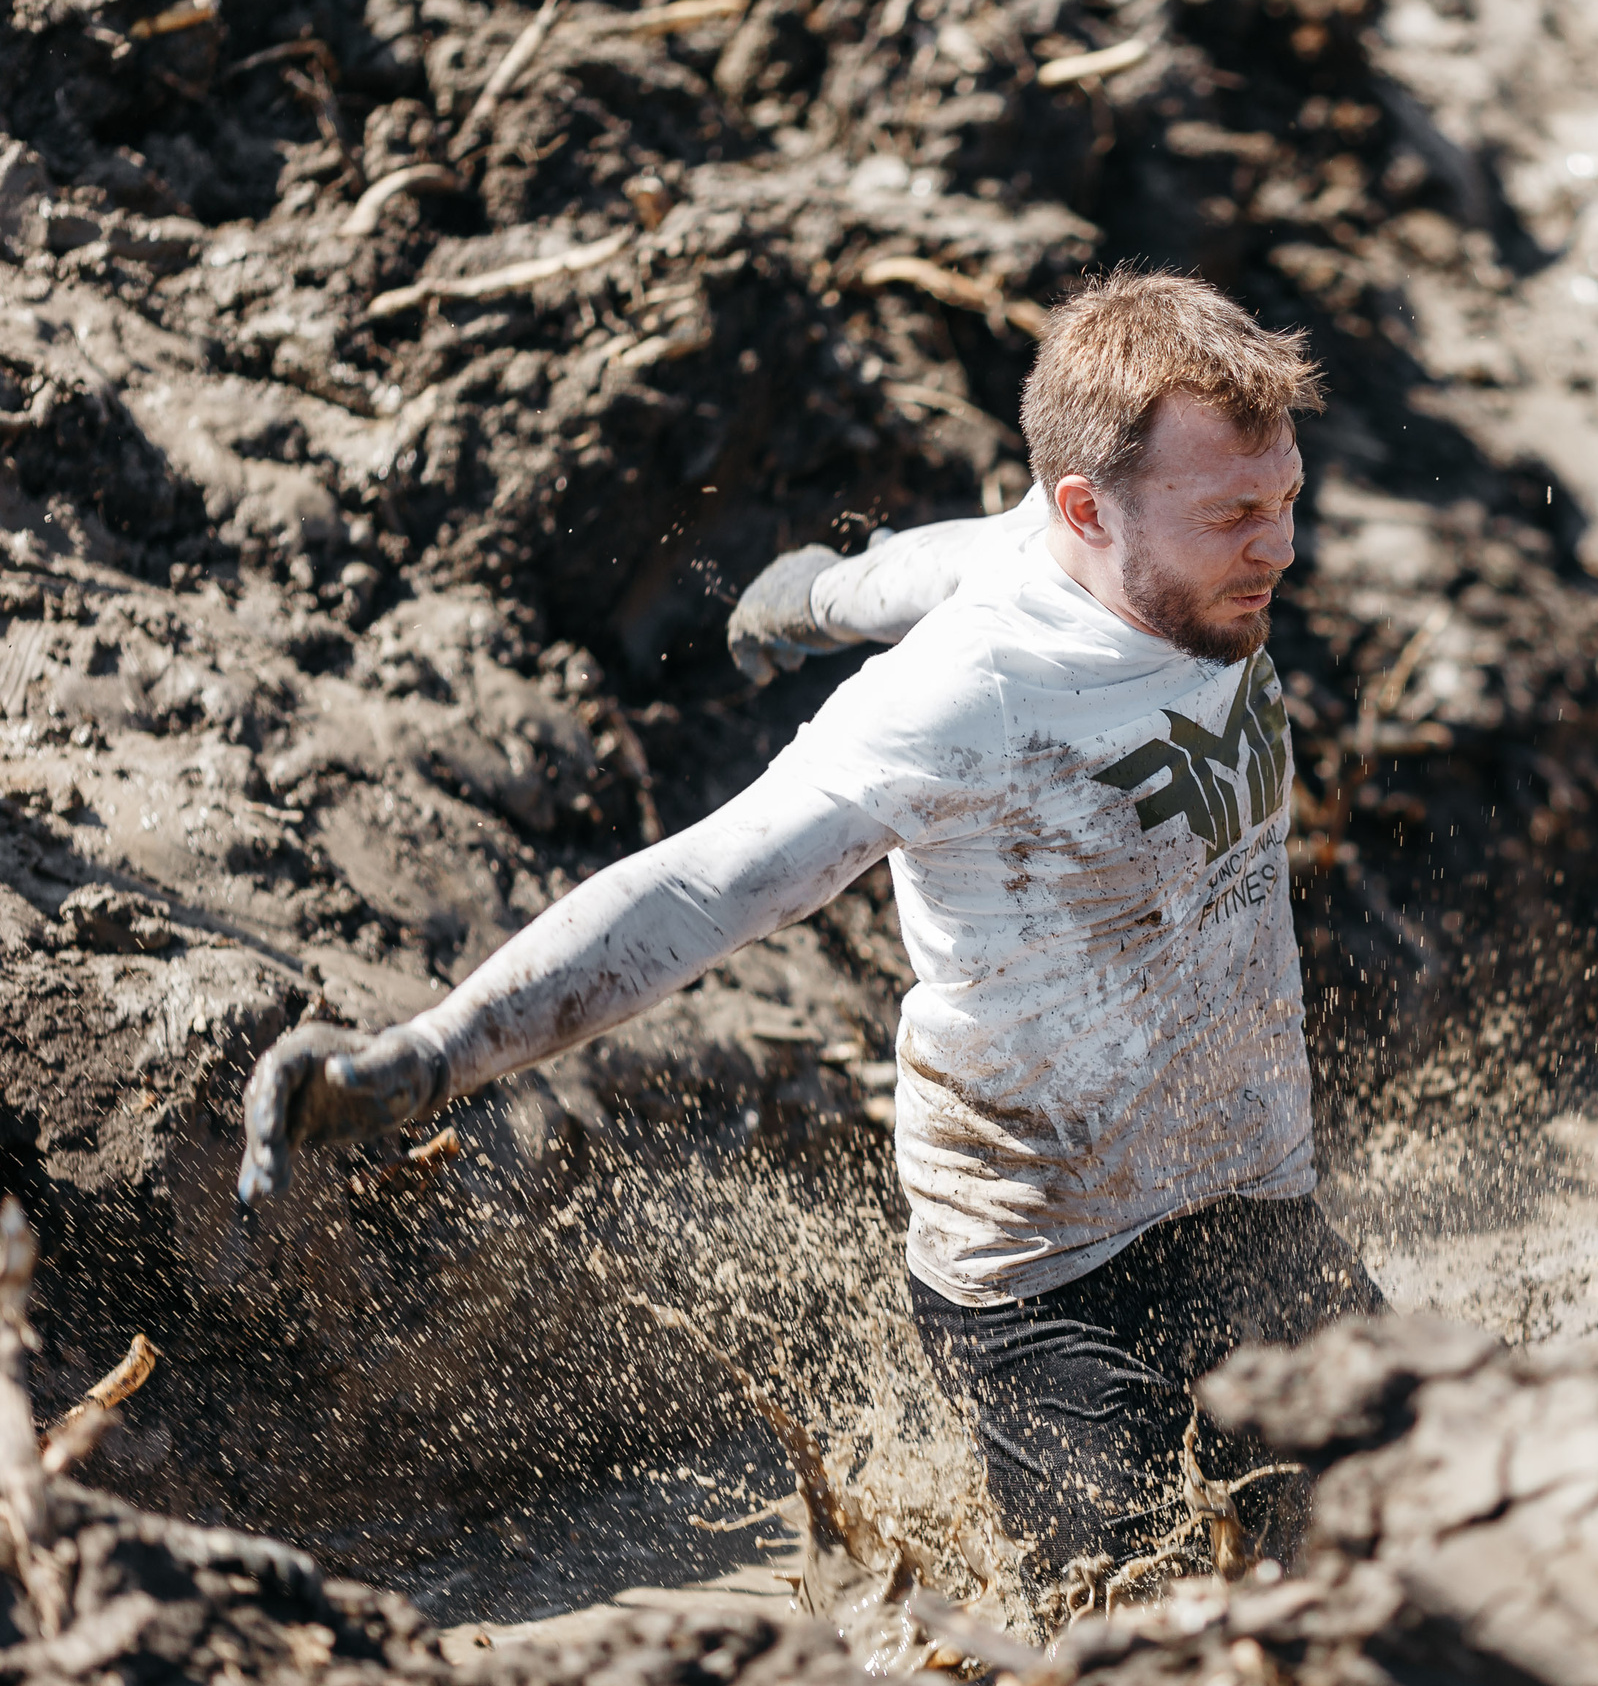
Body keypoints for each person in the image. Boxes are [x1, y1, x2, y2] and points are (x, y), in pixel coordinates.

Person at [234, 269, 1386, 1588]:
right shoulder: (962, 698)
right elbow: (697, 887)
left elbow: (957, 551)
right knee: (1149, 1620)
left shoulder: (1151, 562)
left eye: (1286, 498)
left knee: (1428, 1526)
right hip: (1046, 1275)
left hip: (1249, 1205)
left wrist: (821, 594)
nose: (1279, 548)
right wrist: (430, 1054)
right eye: (1235, 514)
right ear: (1090, 509)